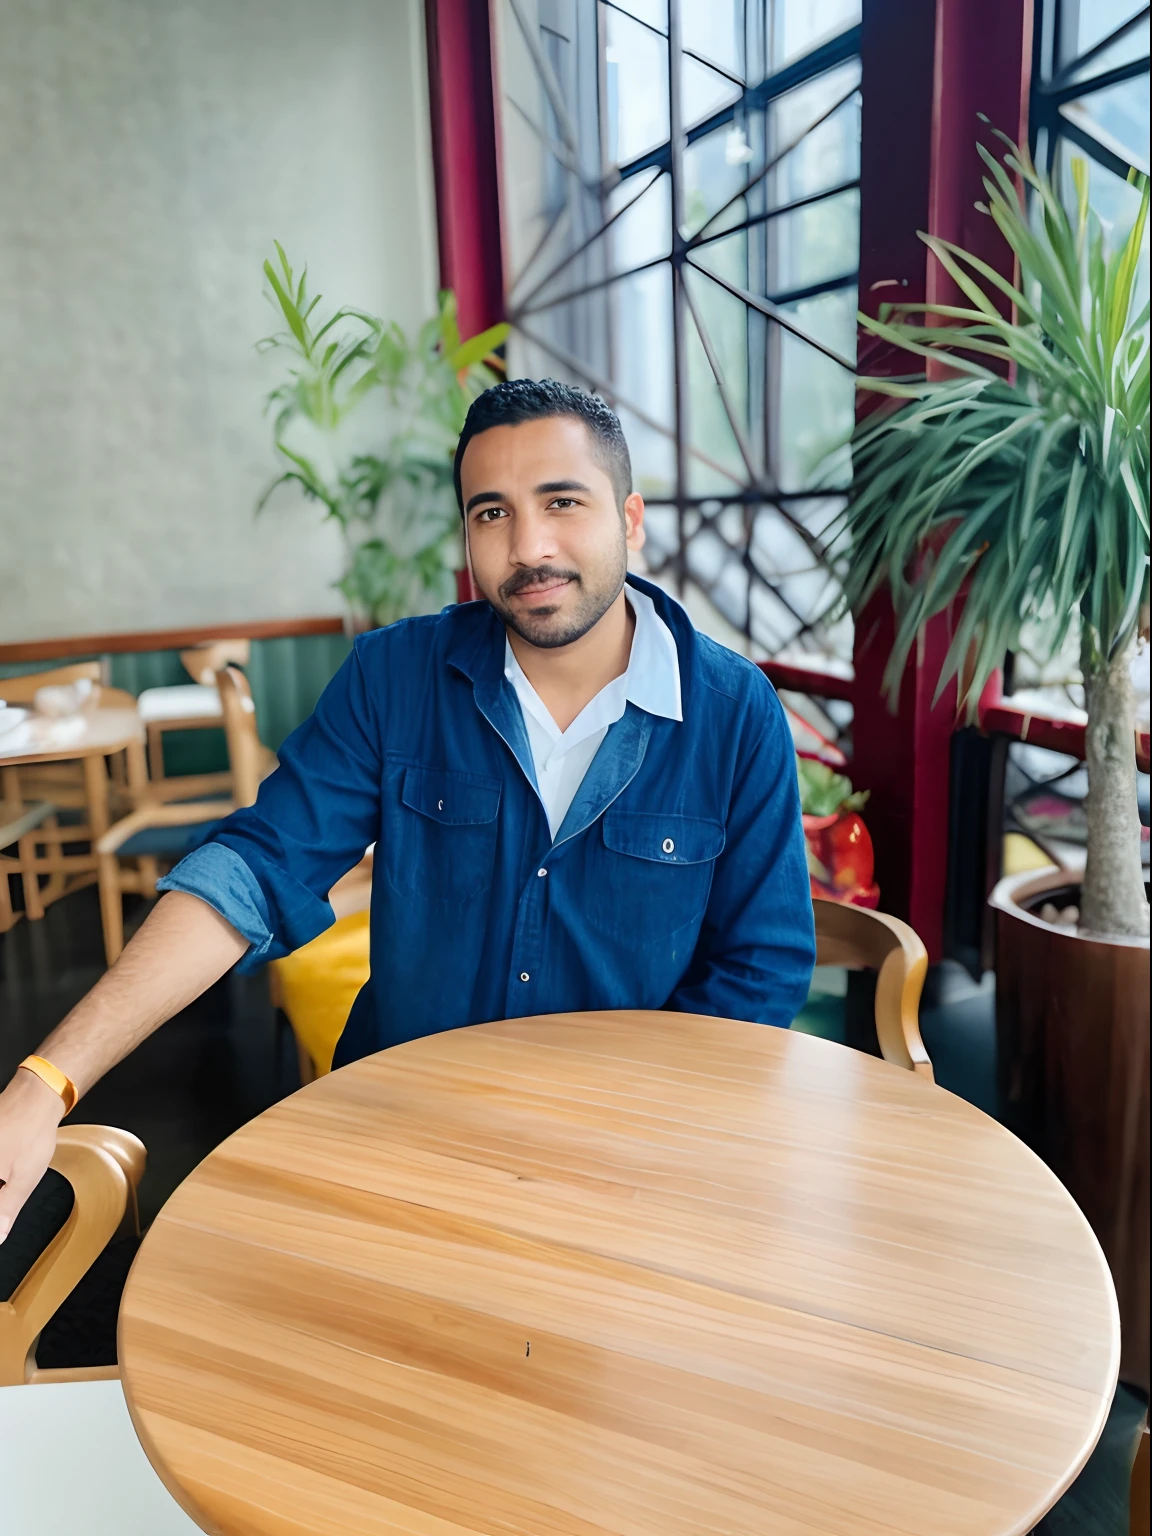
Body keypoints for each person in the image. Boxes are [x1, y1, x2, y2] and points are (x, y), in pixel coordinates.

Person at [0, 379, 815, 1240]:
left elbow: (759, 969)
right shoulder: (394, 678)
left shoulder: (735, 712)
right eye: (491, 513)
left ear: (631, 519)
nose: (529, 546)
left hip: (628, 1164)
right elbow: (256, 869)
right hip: (401, 1139)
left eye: (562, 502)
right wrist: (46, 1081)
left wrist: (607, 1131)